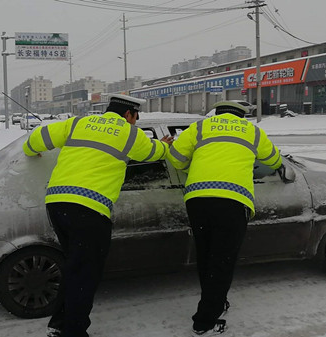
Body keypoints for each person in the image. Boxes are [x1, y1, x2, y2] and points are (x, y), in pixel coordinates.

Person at [23, 94, 173, 337]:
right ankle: (74, 332)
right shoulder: (129, 133)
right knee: (85, 273)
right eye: (136, 118)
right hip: (90, 209)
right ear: (128, 115)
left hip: (57, 203)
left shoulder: (77, 123)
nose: (135, 123)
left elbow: (36, 139)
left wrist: (32, 151)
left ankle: (60, 323)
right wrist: (166, 145)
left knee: (75, 266)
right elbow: (153, 153)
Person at [166, 101, 282, 336]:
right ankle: (205, 321)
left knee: (207, 255)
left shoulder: (200, 128)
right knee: (222, 260)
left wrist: (197, 166)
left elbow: (175, 158)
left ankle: (215, 302)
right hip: (232, 201)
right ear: (242, 116)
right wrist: (250, 167)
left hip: (198, 200)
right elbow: (275, 161)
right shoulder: (252, 131)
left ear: (217, 113)